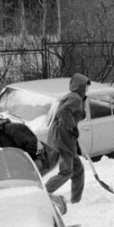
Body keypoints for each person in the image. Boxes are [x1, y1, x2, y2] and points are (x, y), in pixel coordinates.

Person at [45, 74, 89, 204]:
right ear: (79, 87)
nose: (86, 89)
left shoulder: (73, 96)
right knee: (66, 171)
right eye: (85, 87)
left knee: (78, 170)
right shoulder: (75, 98)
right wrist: (72, 127)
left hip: (61, 136)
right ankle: (43, 193)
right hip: (63, 139)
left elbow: (76, 114)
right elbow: (63, 111)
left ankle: (76, 201)